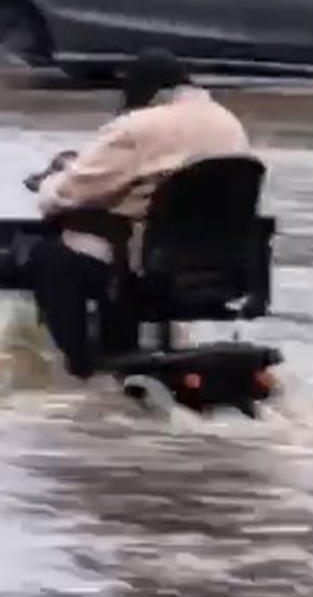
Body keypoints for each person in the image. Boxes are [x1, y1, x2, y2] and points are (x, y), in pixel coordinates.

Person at [29, 51, 250, 379]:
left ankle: (78, 371)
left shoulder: (137, 127)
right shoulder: (229, 124)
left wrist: (50, 180)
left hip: (141, 261)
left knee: (48, 257)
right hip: (214, 264)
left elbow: (68, 194)